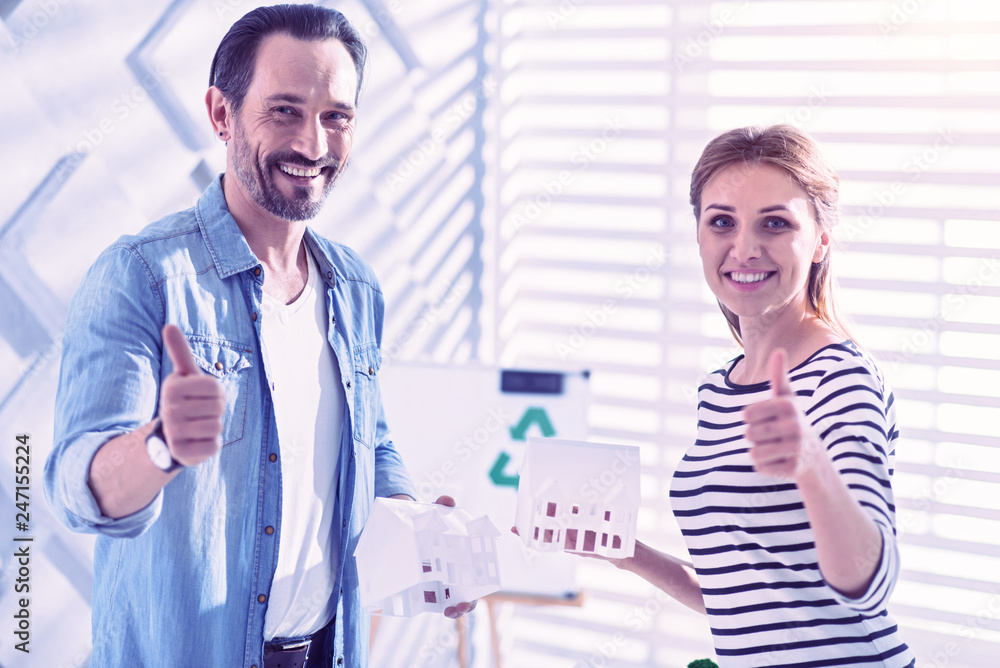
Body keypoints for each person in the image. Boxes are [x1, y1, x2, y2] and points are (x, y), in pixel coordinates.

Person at [43, 5, 472, 667]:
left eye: (337, 116)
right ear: (221, 114)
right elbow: (77, 486)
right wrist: (160, 445)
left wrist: (419, 537)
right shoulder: (143, 277)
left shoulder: (356, 288)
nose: (314, 144)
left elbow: (370, 443)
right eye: (284, 111)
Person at [608, 125, 915, 666]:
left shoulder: (839, 377)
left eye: (775, 223)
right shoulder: (717, 390)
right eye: (721, 221)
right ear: (699, 236)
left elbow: (872, 581)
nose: (744, 248)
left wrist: (811, 464)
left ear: (821, 239)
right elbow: (743, 597)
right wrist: (625, 553)